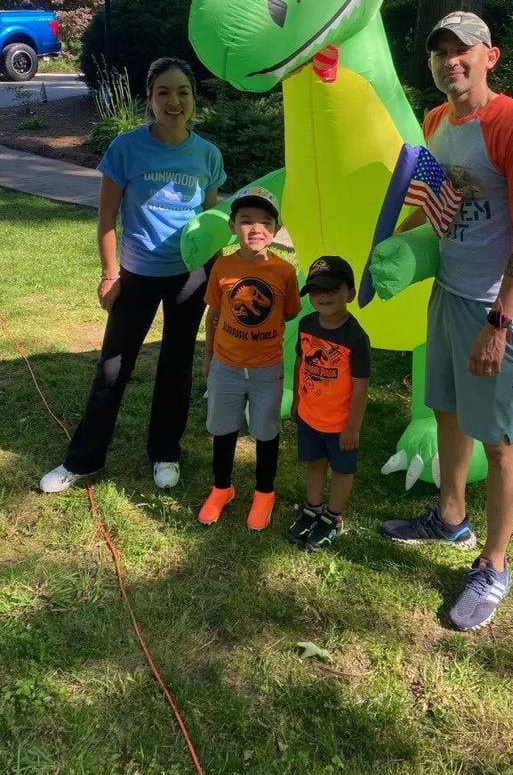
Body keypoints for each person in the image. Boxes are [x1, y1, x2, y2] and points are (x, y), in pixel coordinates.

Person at [381, 11, 513, 631]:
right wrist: (395, 244)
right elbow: (434, 200)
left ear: (490, 56)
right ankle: (450, 518)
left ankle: (495, 565)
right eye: (439, 53)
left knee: (502, 439)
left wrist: (500, 323)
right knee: (448, 410)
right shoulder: (435, 121)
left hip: (494, 306)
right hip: (448, 293)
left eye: (462, 51)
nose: (449, 61)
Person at [39, 57, 226, 494]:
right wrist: (109, 275)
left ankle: (165, 452)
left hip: (190, 278)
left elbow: (212, 221)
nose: (173, 101)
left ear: (194, 99)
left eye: (183, 92)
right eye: (163, 92)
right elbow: (106, 219)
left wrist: (216, 277)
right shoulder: (126, 148)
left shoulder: (207, 155)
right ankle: (82, 460)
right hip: (137, 275)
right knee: (111, 368)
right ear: (150, 99)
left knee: (176, 366)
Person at [198, 186, 301, 531]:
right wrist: (209, 355)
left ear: (275, 230)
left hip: (266, 370)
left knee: (265, 431)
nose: (255, 229)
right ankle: (221, 488)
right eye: (246, 221)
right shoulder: (223, 267)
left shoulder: (285, 273)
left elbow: (286, 315)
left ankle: (264, 493)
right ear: (232, 226)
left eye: (265, 222)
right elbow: (214, 314)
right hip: (225, 366)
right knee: (224, 428)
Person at [287, 256, 370, 552]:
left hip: (340, 425)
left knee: (342, 471)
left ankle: (333, 518)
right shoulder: (307, 323)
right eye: (317, 290)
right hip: (310, 417)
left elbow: (361, 385)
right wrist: (297, 399)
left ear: (350, 293)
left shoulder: (355, 338)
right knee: (314, 463)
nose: (324, 296)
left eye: (333, 289)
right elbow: (300, 360)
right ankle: (312, 510)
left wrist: (352, 427)